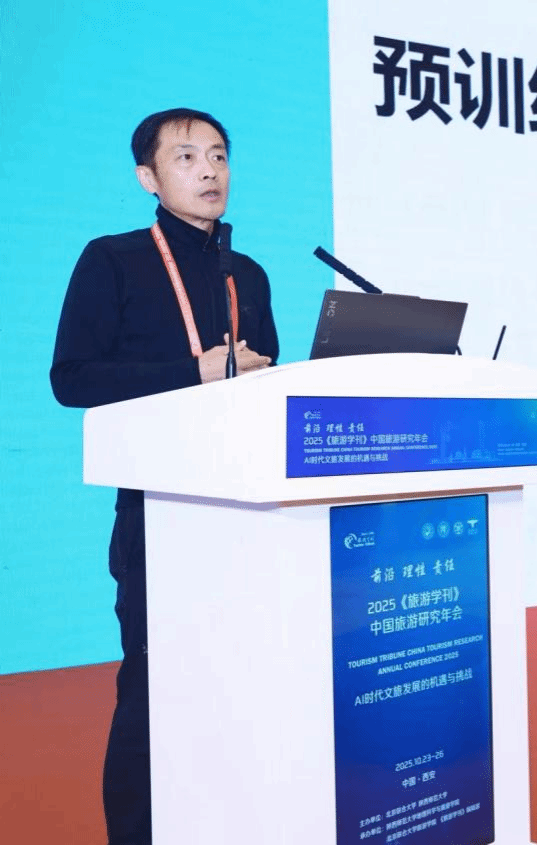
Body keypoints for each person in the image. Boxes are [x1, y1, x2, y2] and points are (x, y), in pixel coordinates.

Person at [50, 108, 278, 845]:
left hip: (249, 514)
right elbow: (72, 379)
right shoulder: (112, 260)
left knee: (242, 687)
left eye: (219, 155)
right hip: (159, 516)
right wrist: (193, 371)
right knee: (152, 691)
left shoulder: (248, 274)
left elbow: (261, 381)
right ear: (147, 177)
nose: (209, 170)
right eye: (186, 157)